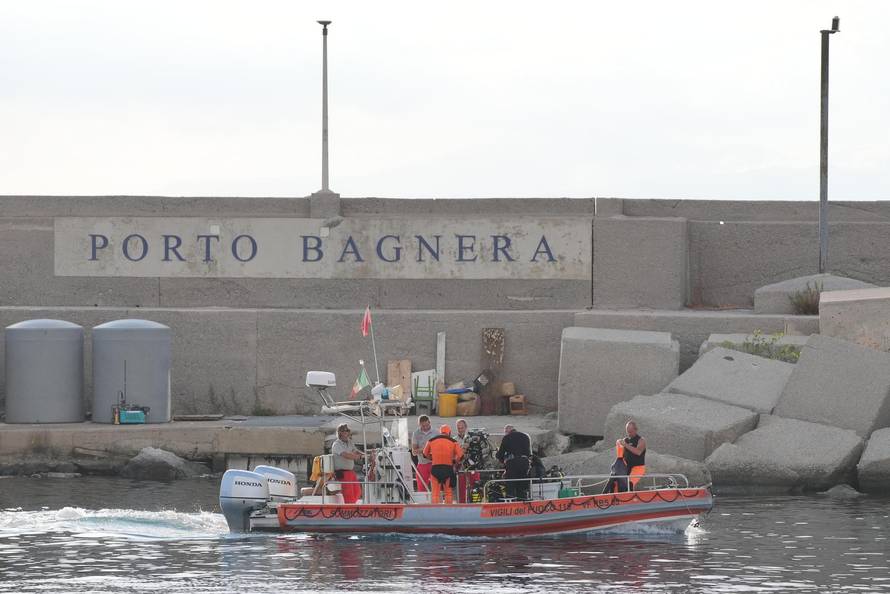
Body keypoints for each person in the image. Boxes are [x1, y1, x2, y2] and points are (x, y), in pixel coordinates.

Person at [422, 425, 464, 504]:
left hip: (435, 469)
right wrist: (455, 461)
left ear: (440, 432)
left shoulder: (431, 440)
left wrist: (431, 458)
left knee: (435, 493)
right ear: (449, 432)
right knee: (448, 493)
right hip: (448, 469)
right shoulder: (453, 441)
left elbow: (424, 454)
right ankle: (448, 510)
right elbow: (461, 456)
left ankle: (435, 510)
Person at [496, 424, 531, 500]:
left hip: (513, 464)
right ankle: (523, 503)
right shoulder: (525, 436)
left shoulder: (507, 437)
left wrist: (502, 460)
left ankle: (511, 504)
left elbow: (500, 454)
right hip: (524, 463)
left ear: (507, 431)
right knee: (522, 486)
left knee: (510, 486)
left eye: (505, 432)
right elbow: (528, 453)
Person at [331, 423, 363, 504]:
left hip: (350, 472)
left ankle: (352, 506)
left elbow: (355, 451)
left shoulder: (350, 442)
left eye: (347, 430)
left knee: (358, 492)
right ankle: (348, 510)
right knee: (348, 494)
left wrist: (365, 455)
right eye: (344, 430)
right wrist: (358, 457)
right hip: (342, 473)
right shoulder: (336, 444)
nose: (346, 432)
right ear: (340, 432)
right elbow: (345, 455)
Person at [411, 415, 436, 493]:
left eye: (427, 425)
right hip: (422, 464)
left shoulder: (437, 432)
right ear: (419, 425)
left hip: (434, 464)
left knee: (436, 487)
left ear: (430, 422)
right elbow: (414, 452)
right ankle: (423, 504)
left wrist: (422, 449)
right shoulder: (416, 434)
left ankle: (436, 504)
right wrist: (426, 448)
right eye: (422, 426)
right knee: (421, 488)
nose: (425, 427)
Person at [621, 420, 647, 490]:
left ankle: (631, 497)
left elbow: (638, 452)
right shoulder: (625, 440)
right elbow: (621, 455)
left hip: (638, 467)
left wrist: (625, 445)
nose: (629, 433)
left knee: (630, 484)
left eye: (630, 431)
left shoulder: (641, 440)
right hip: (627, 467)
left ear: (636, 430)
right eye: (627, 431)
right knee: (618, 483)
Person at [453, 418, 474, 502]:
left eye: (462, 427)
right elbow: (453, 455)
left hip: (472, 468)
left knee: (473, 489)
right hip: (460, 469)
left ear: (466, 427)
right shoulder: (454, 440)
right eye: (458, 428)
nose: (460, 430)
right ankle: (461, 506)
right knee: (461, 491)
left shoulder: (473, 438)